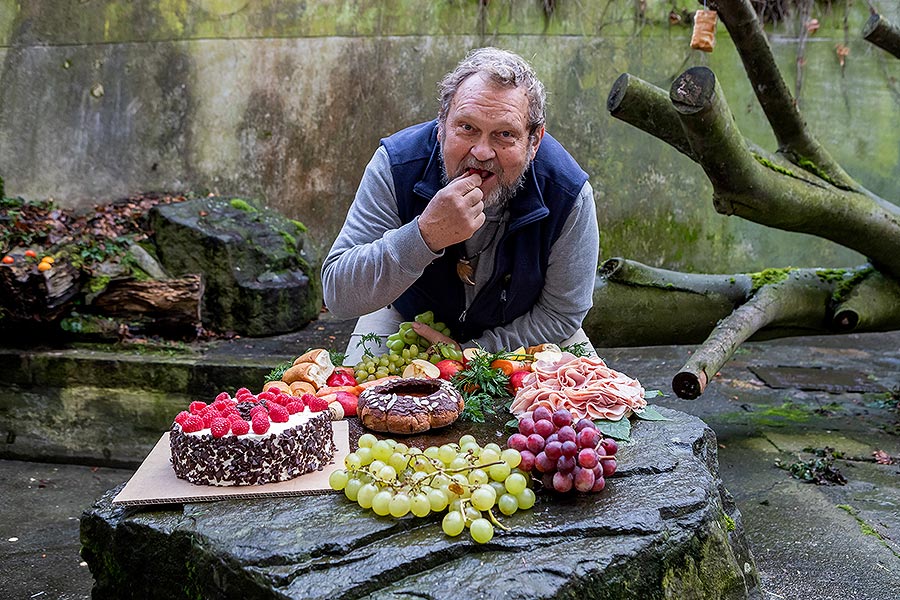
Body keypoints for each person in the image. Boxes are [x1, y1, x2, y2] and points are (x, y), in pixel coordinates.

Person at [322, 47, 599, 367]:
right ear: (441, 125)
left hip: (531, 333)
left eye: (505, 134)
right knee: (360, 406)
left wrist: (471, 354)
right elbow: (338, 295)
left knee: (596, 409)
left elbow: (561, 313)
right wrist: (424, 236)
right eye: (467, 128)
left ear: (534, 141)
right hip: (406, 322)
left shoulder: (567, 191)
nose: (482, 152)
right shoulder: (396, 165)